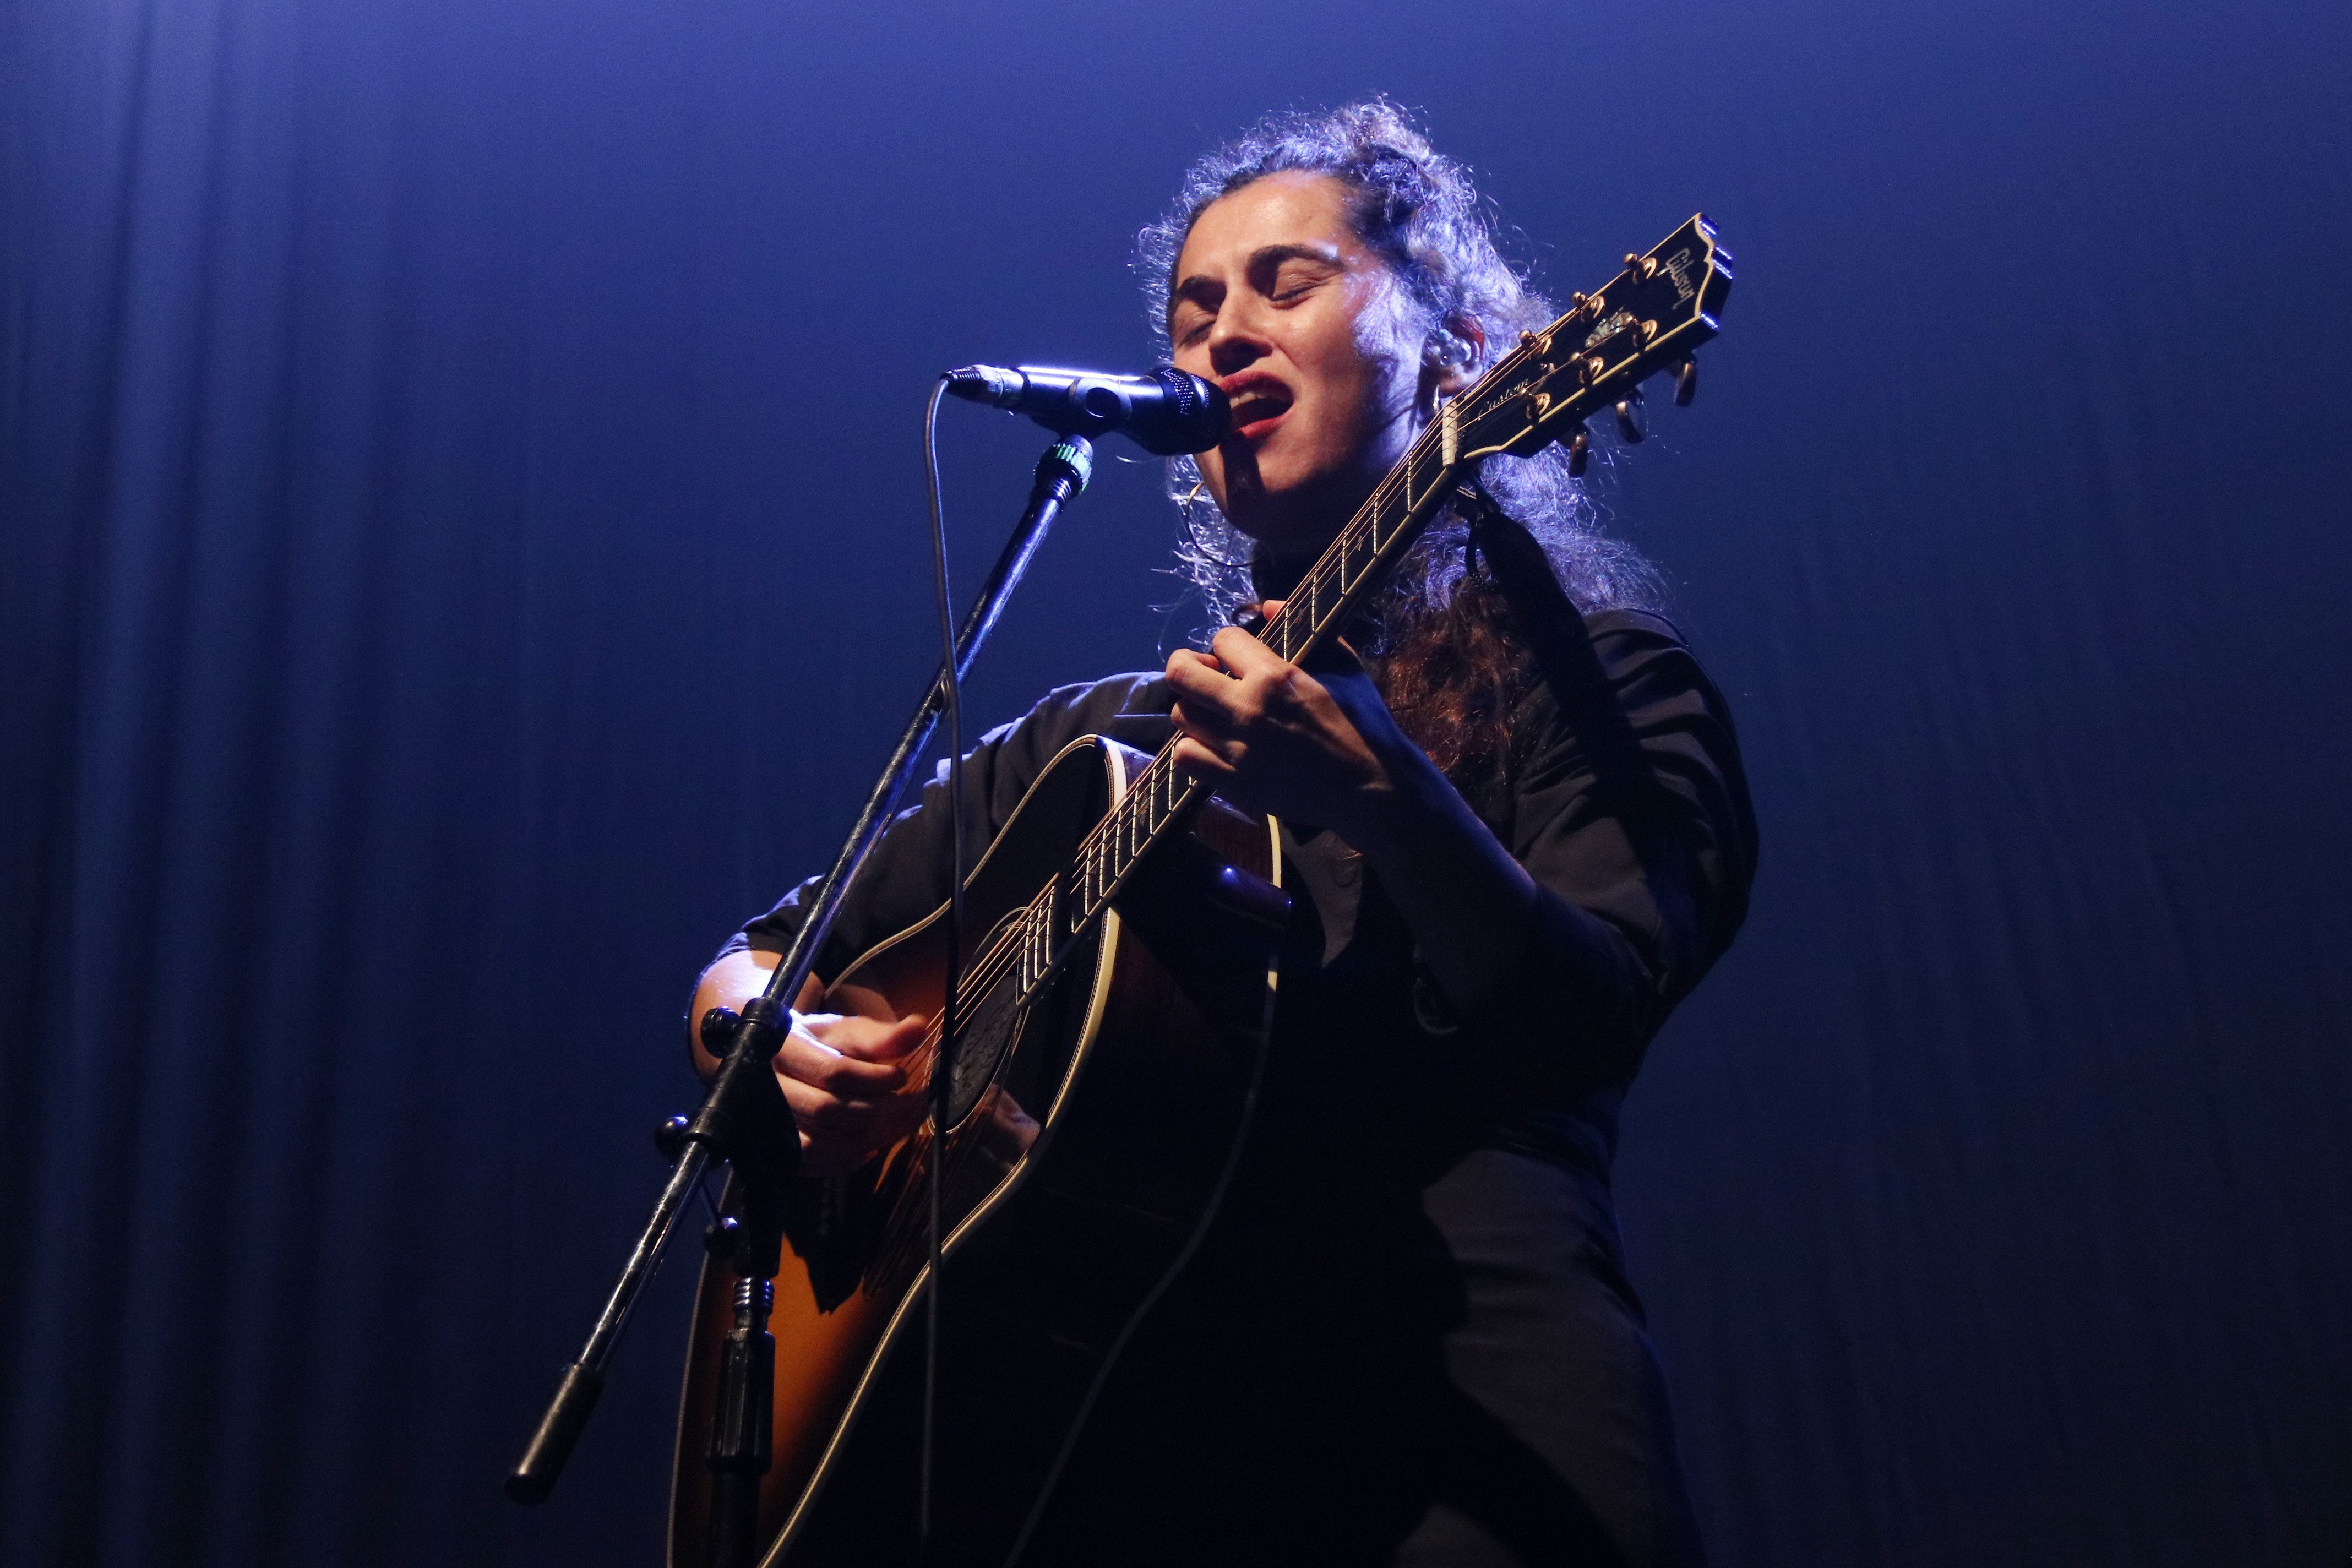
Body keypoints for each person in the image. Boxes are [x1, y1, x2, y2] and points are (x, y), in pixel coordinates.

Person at [689, 101, 1756, 1567]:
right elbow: (764, 958)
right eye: (1194, 312)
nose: (1223, 337)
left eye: (1287, 284)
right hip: (1131, 1458)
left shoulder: (1596, 673)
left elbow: (1592, 1016)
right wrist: (768, 1041)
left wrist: (1391, 800)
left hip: (1473, 1454)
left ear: (1448, 346)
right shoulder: (1092, 750)